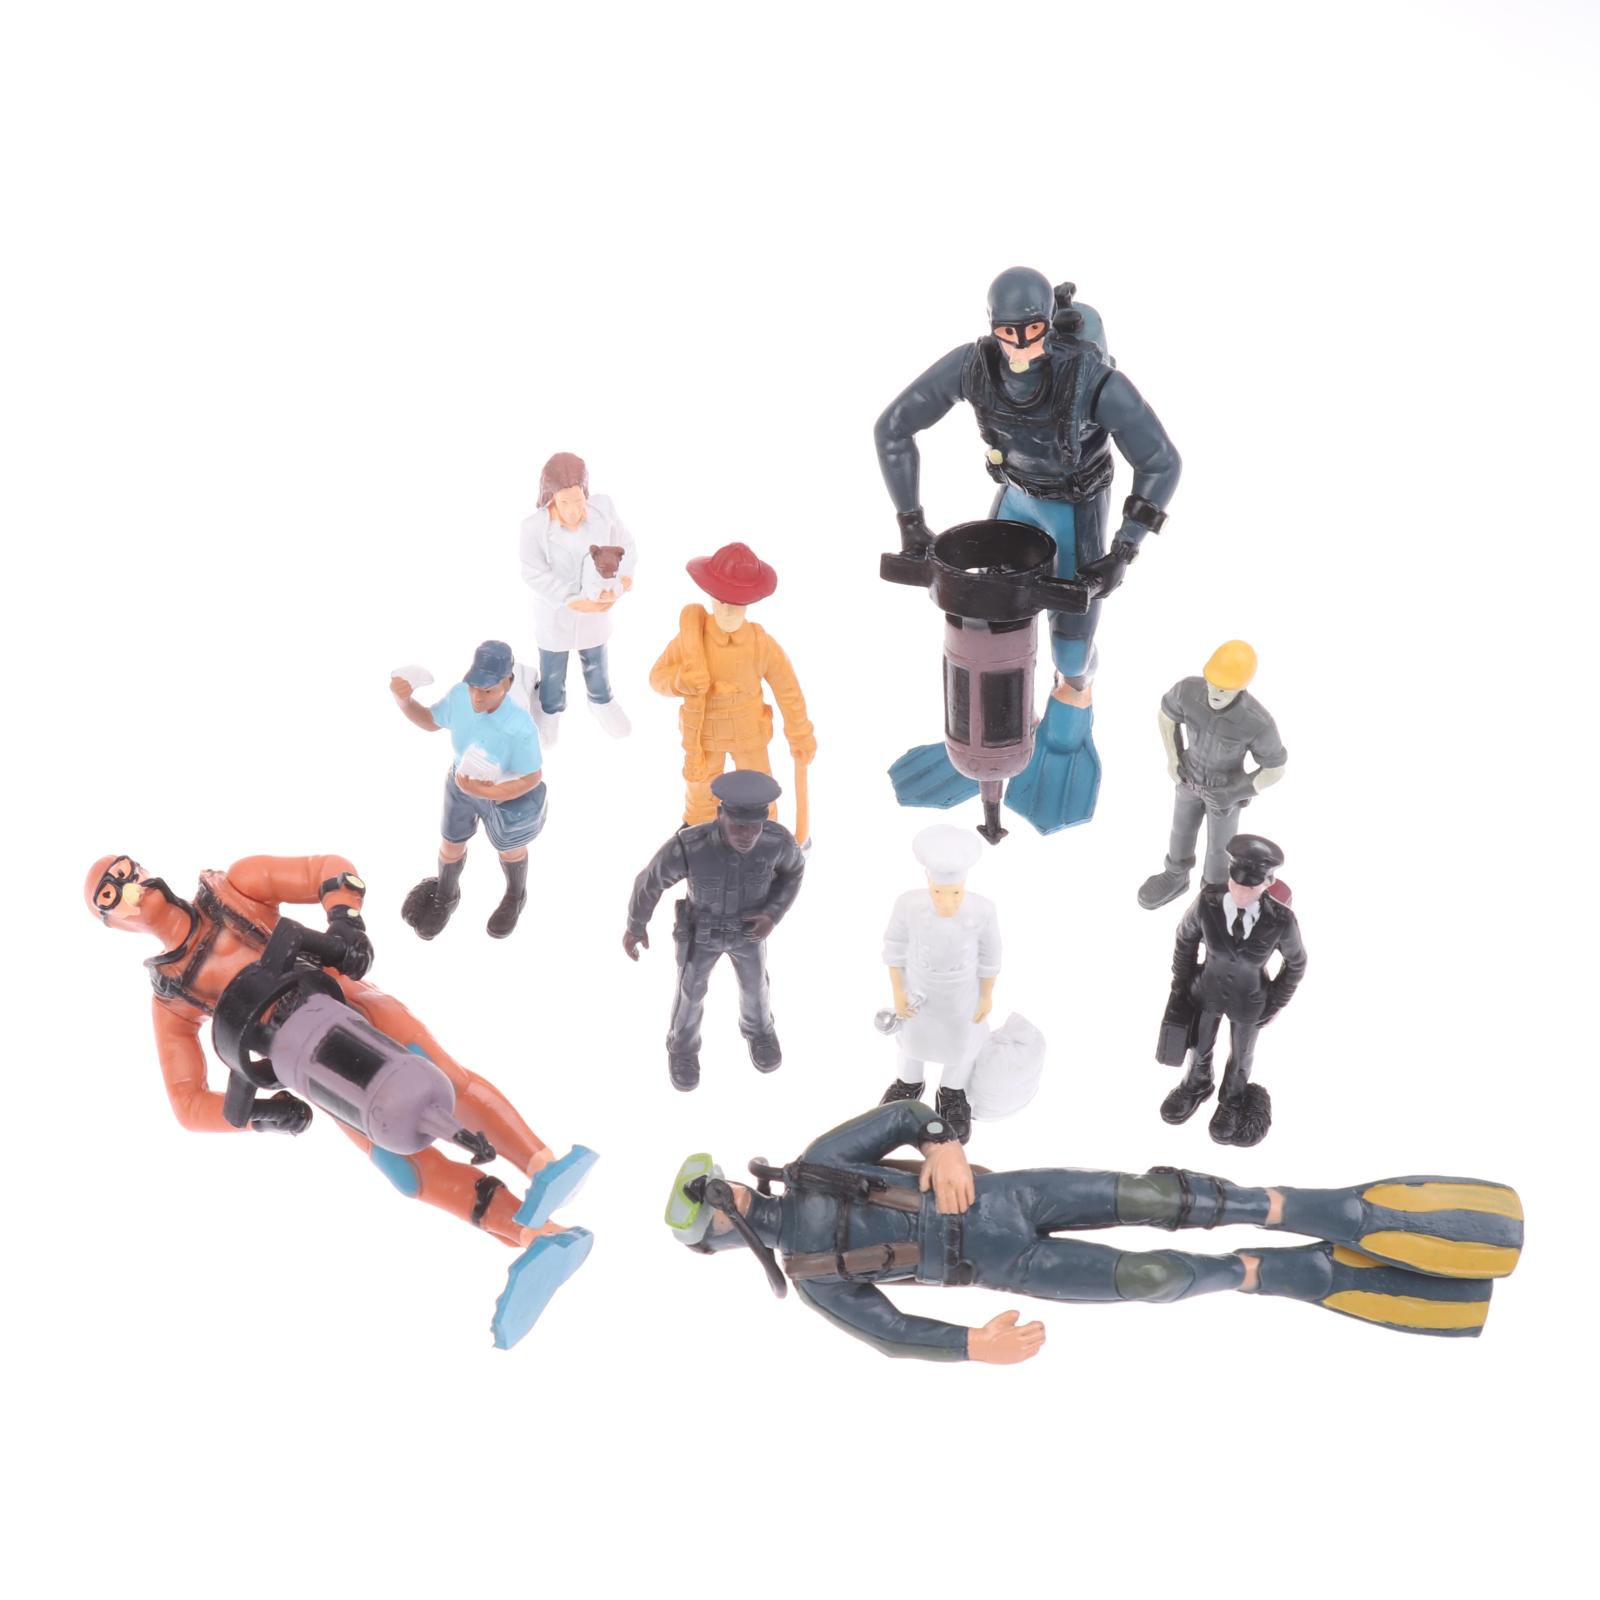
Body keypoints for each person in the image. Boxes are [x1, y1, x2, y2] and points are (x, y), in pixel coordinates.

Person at [84, 851, 595, 1347]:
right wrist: (259, 1116)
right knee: (408, 1172)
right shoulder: (172, 999)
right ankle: (540, 1238)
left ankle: (543, 1166)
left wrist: (345, 924)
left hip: (353, 1006)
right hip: (315, 1070)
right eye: (110, 894)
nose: (130, 889)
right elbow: (187, 1104)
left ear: (144, 867)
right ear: (114, 924)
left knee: (448, 1084)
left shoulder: (235, 888)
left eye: (127, 872)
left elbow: (326, 869)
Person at [665, 1100, 1522, 1362]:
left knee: (1155, 1197)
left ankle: (1289, 1206)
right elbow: (891, 1333)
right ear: (720, 1243)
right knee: (1154, 1278)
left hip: (1017, 1198)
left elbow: (901, 1113)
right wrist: (971, 1347)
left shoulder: (817, 1164)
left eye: (716, 1189)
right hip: (1012, 1266)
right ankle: (1272, 1272)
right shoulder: (815, 1278)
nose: (729, 1199)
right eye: (713, 1211)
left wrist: (942, 1141)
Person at [874, 266, 1180, 829]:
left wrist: (1121, 552)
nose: (1020, 345)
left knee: (1070, 653)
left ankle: (1068, 727)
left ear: (1049, 324)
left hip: (1074, 511)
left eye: (1033, 330)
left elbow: (1161, 461)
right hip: (1016, 500)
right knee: (982, 622)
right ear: (993, 327)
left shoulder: (1090, 380)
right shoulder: (973, 366)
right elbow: (892, 427)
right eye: (1008, 332)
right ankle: (984, 737)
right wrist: (911, 524)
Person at [624, 770, 806, 1090]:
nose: (747, 835)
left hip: (749, 931)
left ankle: (759, 1031)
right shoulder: (690, 846)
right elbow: (651, 881)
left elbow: (794, 871)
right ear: (720, 814)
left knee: (755, 986)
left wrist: (772, 914)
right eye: (738, 826)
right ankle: (682, 1047)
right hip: (702, 932)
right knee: (690, 991)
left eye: (754, 826)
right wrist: (636, 925)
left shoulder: (776, 842)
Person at [648, 542, 815, 828]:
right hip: (705, 735)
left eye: (736, 604)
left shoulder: (761, 644)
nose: (727, 612)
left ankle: (766, 834)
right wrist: (680, 680)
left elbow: (788, 691)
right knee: (702, 793)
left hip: (749, 732)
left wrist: (800, 734)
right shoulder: (690, 640)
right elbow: (657, 677)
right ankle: (698, 834)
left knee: (760, 790)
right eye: (721, 601)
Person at [390, 639, 545, 940]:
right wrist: (404, 702)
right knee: (451, 843)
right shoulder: (460, 697)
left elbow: (532, 777)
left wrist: (490, 793)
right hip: (460, 783)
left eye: (488, 689)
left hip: (502, 794)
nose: (477, 695)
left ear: (507, 683)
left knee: (510, 848)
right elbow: (431, 721)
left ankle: (515, 895)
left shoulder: (520, 726)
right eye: (474, 685)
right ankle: (446, 895)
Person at [1160, 834, 1307, 1146]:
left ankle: (1232, 1100)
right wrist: (1181, 985)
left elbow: (1296, 964)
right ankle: (1196, 1084)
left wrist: (1275, 1002)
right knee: (1200, 1044)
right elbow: (1185, 939)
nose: (1240, 892)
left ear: (1267, 883)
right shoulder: (1208, 902)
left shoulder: (1281, 920)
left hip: (1250, 1000)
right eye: (1235, 883)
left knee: (1241, 1055)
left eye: (1250, 887)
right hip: (1207, 990)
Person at [1138, 640, 1288, 909]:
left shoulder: (1257, 722)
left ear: (1242, 686)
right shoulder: (1188, 691)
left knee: (1221, 847)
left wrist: (1234, 792)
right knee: (1181, 829)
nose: (1216, 692)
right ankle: (1175, 875)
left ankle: (1214, 891)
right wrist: (1173, 757)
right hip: (1188, 776)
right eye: (1213, 683)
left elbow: (1275, 769)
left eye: (1225, 688)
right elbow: (1166, 716)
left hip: (1224, 790)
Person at [879, 824, 1002, 1141]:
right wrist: (898, 992)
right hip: (919, 989)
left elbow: (990, 954)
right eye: (938, 893)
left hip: (962, 994)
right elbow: (894, 948)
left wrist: (986, 995)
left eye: (955, 893)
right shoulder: (908, 905)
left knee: (961, 1044)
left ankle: (952, 1092)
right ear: (928, 882)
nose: (947, 902)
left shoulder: (983, 910)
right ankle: (908, 1084)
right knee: (912, 1040)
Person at [518, 451, 636, 744]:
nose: (573, 510)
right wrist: (570, 599)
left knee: (595, 658)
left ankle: (601, 700)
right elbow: (533, 573)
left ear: (585, 492)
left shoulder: (603, 510)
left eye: (579, 501)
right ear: (550, 496)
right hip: (556, 614)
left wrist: (621, 582)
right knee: (553, 668)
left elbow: (625, 545)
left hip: (596, 609)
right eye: (564, 503)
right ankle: (549, 709)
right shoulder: (534, 528)